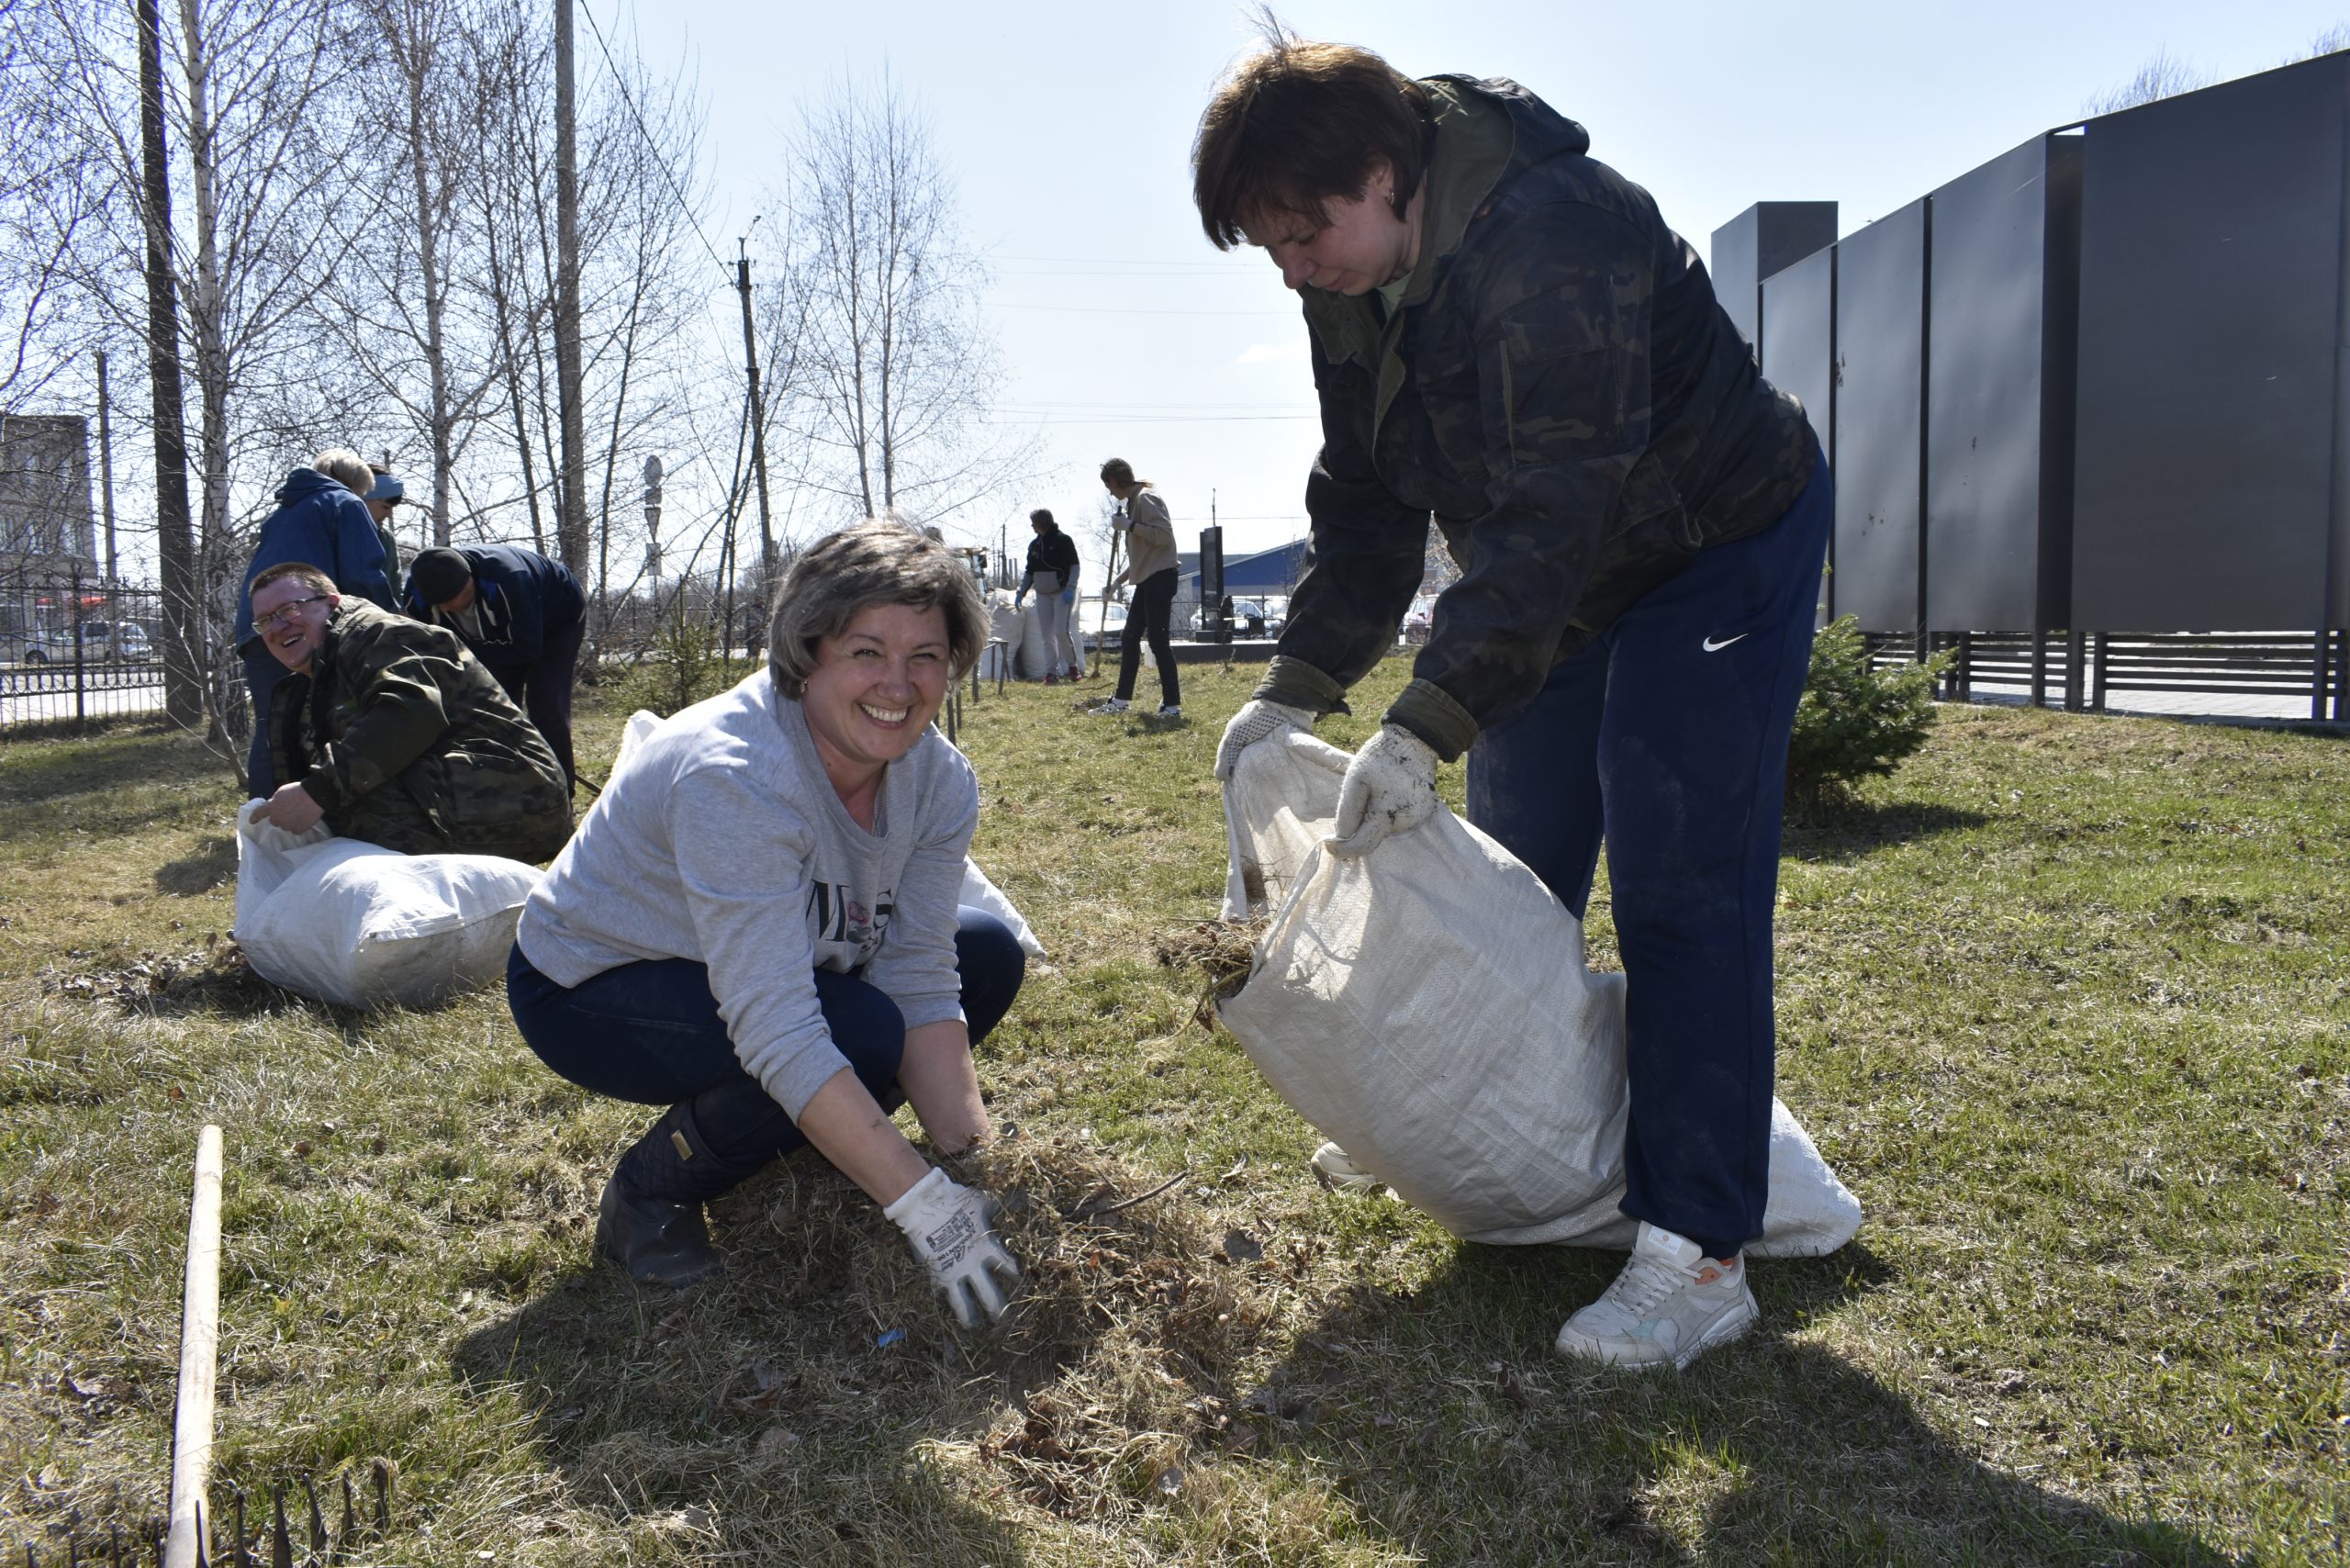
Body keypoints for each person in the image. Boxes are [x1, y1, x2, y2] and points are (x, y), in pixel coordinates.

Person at [1195, 34, 1830, 1371]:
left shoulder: (1557, 236)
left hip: (1708, 543)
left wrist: (1425, 719)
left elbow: (1557, 504)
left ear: (1386, 170)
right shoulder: (1352, 279)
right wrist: (1294, 689)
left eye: (1307, 234)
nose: (1299, 268)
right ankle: (1462, 1117)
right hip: (1564, 571)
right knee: (1508, 862)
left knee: (1681, 878)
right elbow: (1368, 497)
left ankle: (1698, 1249)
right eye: (1277, 251)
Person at [504, 522, 1028, 1326]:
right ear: (807, 649)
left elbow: (921, 969)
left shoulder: (938, 780)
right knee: (855, 1029)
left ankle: (828, 1139)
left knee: (984, 953)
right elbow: (779, 1024)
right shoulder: (738, 776)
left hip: (760, 968)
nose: (898, 683)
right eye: (865, 651)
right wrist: (928, 1209)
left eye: (924, 655)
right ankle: (649, 1192)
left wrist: (975, 1170)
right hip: (592, 985)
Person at [249, 563, 574, 863]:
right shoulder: (304, 684)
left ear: (332, 603)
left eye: (289, 609)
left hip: (520, 797)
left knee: (359, 802)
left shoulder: (383, 635)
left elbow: (411, 712)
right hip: (456, 797)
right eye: (264, 621)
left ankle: (422, 918)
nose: (277, 627)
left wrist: (317, 792)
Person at [237, 450, 395, 795]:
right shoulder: (346, 504)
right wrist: (393, 623)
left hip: (259, 627)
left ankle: (263, 821)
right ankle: (321, 812)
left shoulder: (282, 514)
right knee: (332, 720)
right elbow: (363, 576)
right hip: (303, 624)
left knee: (272, 728)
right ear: (357, 484)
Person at [404, 543, 588, 789]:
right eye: (438, 603)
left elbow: (526, 649)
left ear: (469, 579)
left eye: (450, 599)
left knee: (545, 701)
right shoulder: (418, 592)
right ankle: (507, 783)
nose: (445, 609)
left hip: (556, 618)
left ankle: (560, 787)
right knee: (493, 704)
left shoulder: (509, 579)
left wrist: (464, 654)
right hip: (499, 635)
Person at [1090, 457, 1181, 719]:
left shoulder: (1146, 499)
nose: (1109, 492)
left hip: (1160, 579)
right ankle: (1121, 699)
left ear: (1116, 481)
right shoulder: (1134, 501)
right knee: (1130, 637)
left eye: (1108, 485)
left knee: (1158, 642)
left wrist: (1130, 526)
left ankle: (1172, 705)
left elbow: (1164, 537)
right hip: (1148, 579)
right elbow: (1142, 558)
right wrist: (1116, 583)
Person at [1012, 508, 1081, 683]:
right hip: (1042, 594)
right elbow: (1029, 572)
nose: (1031, 526)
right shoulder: (1034, 545)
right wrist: (1021, 593)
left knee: (1060, 631)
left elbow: (1074, 566)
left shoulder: (1063, 540)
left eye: (1033, 522)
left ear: (1042, 522)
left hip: (1061, 592)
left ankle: (1072, 667)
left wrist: (1070, 588)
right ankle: (1052, 672)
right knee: (1046, 636)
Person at [364, 467, 406, 586]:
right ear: (363, 499)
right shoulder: (336, 533)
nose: (390, 515)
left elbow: (395, 584)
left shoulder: (386, 538)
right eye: (385, 507)